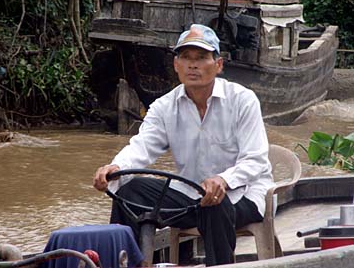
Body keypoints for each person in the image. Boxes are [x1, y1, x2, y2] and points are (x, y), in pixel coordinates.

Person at [93, 24, 274, 266]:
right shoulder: (164, 106)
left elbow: (256, 159)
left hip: (244, 194)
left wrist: (223, 180)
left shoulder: (243, 100)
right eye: (186, 58)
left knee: (215, 203)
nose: (193, 65)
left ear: (218, 65)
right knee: (129, 192)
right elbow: (142, 147)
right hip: (190, 194)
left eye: (201, 58)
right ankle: (125, 264)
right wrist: (115, 167)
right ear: (176, 65)